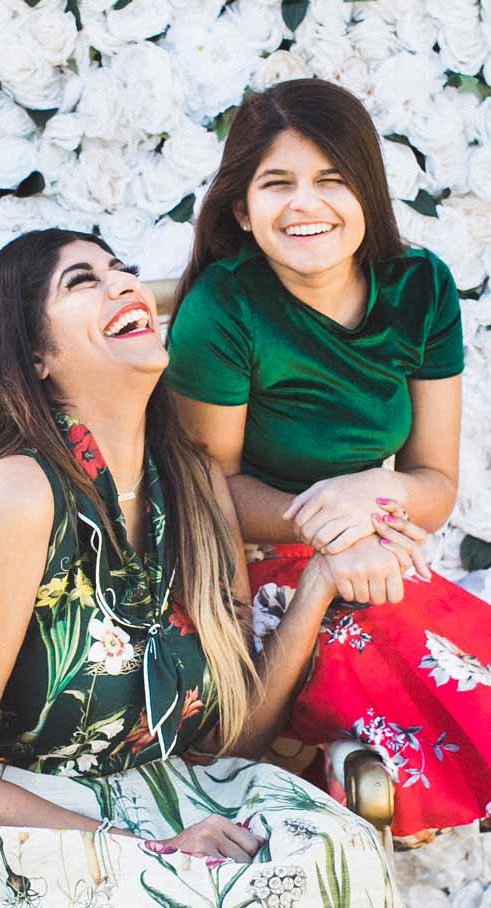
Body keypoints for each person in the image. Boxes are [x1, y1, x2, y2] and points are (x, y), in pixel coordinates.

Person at [0, 229, 406, 907]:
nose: (124, 284)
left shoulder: (193, 484)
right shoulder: (16, 492)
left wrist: (318, 584)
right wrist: (143, 848)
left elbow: (228, 740)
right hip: (17, 822)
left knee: (331, 854)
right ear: (35, 354)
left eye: (121, 269)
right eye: (82, 281)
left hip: (167, 798)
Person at [165, 78, 491, 840]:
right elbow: (207, 490)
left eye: (331, 180)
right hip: (246, 572)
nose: (304, 204)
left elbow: (434, 483)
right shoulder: (225, 308)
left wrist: (368, 497)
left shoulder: (420, 289)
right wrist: (334, 526)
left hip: (381, 549)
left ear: (366, 192)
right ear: (241, 209)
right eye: (277, 183)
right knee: (389, 647)